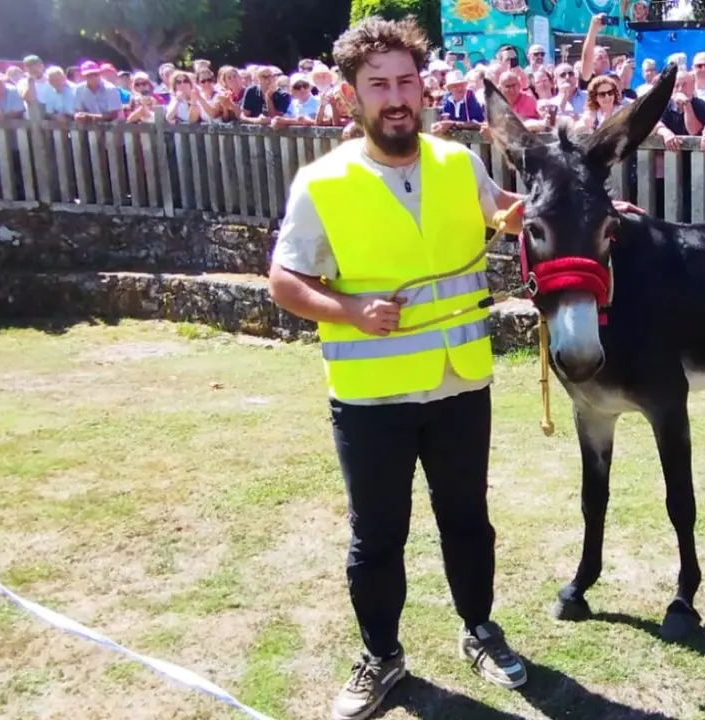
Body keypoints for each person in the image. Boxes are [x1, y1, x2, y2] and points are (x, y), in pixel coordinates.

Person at [266, 17, 564, 720]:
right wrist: (346, 309)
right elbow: (283, 279)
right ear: (352, 97)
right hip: (371, 397)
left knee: (468, 521)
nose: (395, 97)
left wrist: (584, 207)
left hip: (462, 383)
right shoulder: (322, 183)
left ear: (423, 86)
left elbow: (506, 217)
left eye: (406, 81)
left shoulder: (458, 164)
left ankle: (480, 633)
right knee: (377, 539)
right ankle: (381, 657)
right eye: (378, 86)